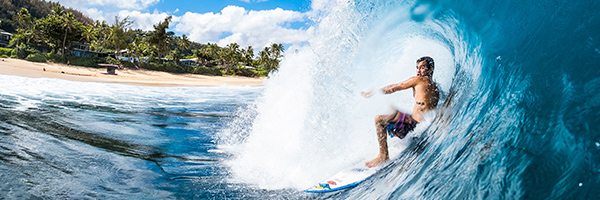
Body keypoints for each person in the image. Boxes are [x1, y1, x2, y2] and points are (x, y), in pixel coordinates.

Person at [361, 56, 440, 168]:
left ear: (430, 69)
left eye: (422, 68)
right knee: (393, 112)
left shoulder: (418, 80)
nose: (418, 71)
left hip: (413, 125)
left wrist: (376, 91)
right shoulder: (435, 87)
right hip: (422, 126)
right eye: (417, 67)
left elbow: (396, 87)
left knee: (379, 119)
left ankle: (383, 156)